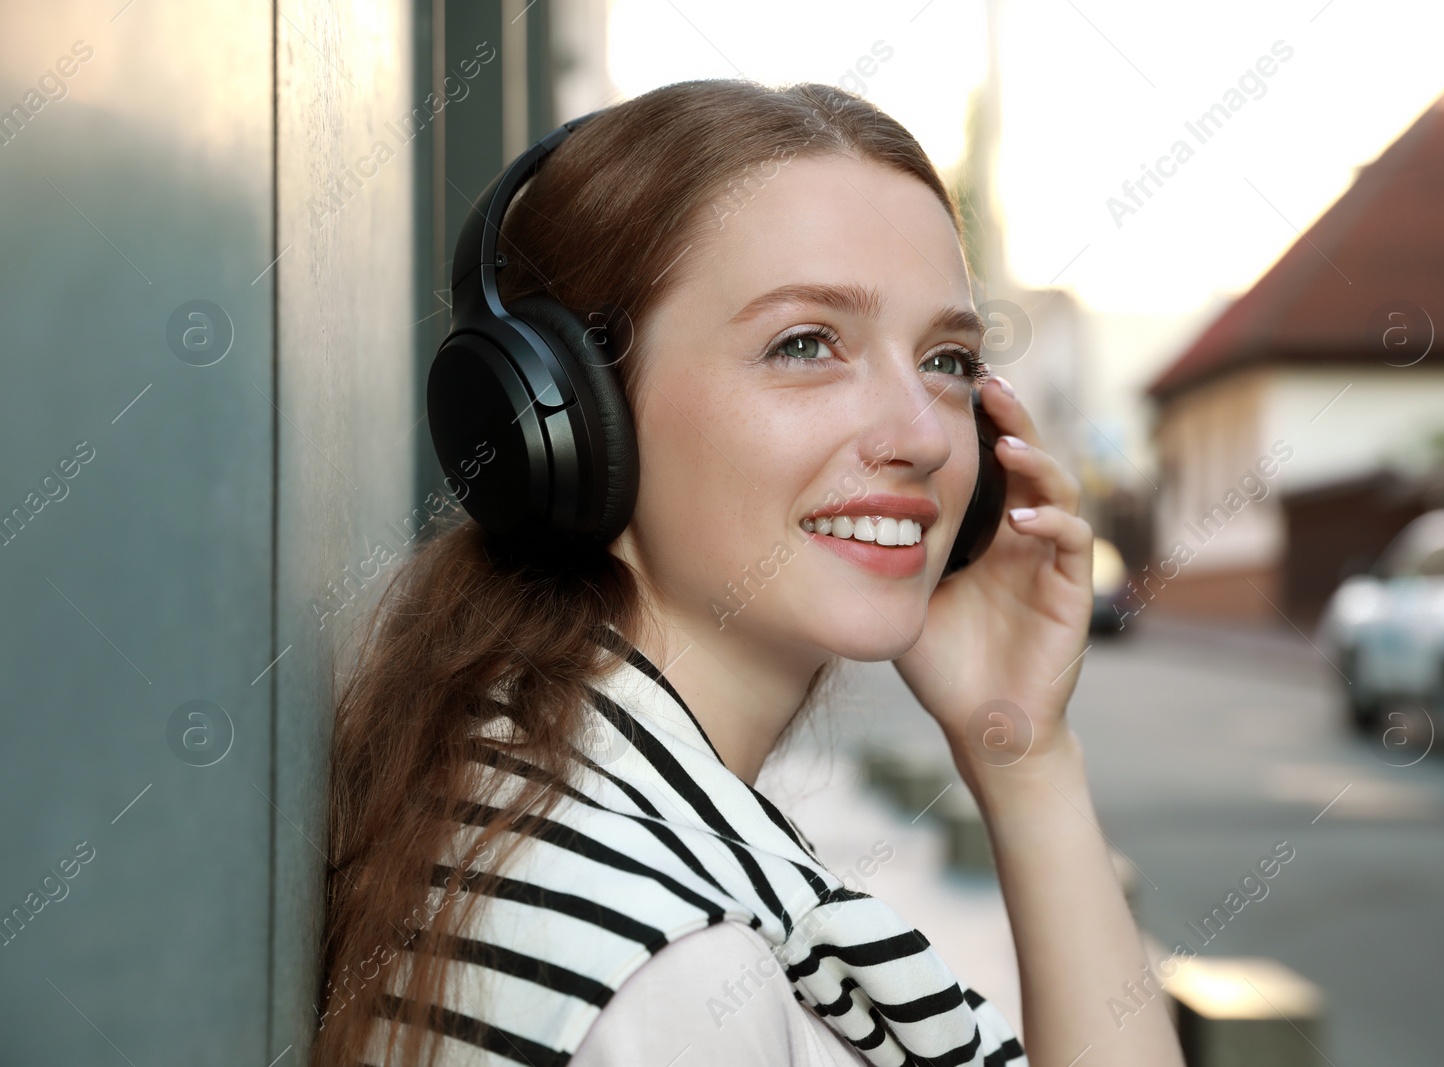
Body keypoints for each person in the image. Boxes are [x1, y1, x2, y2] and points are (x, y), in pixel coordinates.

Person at [311, 78, 1183, 1067]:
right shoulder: (673, 980)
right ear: (567, 413)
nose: (920, 436)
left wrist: (1025, 757)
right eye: (804, 343)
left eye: (945, 358)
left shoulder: (530, 795)